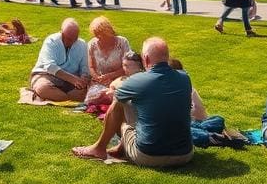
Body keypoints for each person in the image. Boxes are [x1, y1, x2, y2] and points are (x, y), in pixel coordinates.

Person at [71, 37, 193, 167]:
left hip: (149, 156)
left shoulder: (138, 81)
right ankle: (120, 149)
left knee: (119, 103)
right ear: (167, 57)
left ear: (145, 59)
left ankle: (98, 148)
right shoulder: (184, 78)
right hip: (185, 154)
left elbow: (116, 95)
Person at [29, 18, 90, 102]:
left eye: (75, 38)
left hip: (72, 80)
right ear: (61, 32)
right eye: (69, 38)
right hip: (46, 75)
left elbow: (85, 66)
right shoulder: (51, 41)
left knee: (84, 90)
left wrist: (84, 77)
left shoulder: (82, 44)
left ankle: (62, 98)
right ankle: (69, 99)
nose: (72, 41)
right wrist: (72, 79)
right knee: (43, 87)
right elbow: (50, 66)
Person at [84, 17, 131, 105]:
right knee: (94, 97)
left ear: (109, 32)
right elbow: (91, 67)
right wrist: (98, 78)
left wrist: (110, 76)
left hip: (119, 78)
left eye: (101, 34)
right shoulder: (92, 44)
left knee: (116, 93)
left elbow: (127, 67)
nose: (99, 37)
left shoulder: (122, 42)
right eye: (96, 35)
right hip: (99, 80)